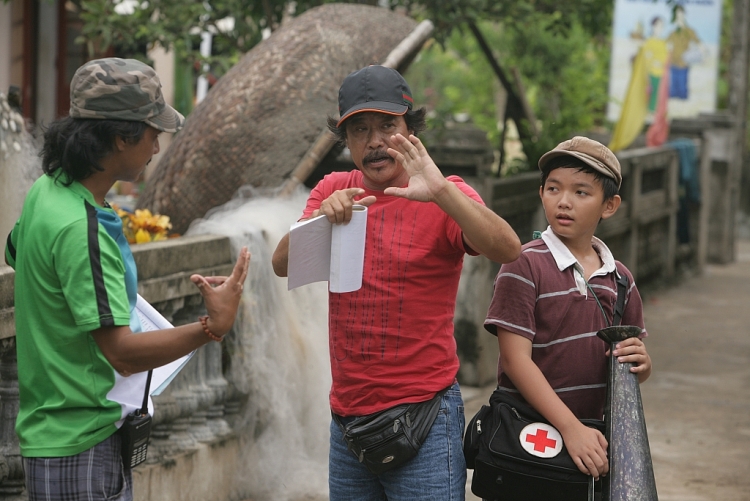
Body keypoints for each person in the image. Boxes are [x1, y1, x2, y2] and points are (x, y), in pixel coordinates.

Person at [4, 58, 250, 501]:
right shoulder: (82, 227)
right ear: (121, 136)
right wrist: (211, 327)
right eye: (153, 132)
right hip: (82, 442)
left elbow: (17, 252)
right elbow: (121, 354)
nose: (157, 146)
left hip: (51, 432)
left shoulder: (49, 190)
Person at [271, 65, 521, 500]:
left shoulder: (446, 191)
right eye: (360, 130)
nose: (375, 142)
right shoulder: (334, 189)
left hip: (425, 416)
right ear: (345, 140)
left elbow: (507, 248)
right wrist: (319, 219)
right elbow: (280, 264)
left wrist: (442, 192)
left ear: (411, 130)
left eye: (388, 126)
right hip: (348, 422)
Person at [483, 136, 652, 484]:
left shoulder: (620, 280)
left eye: (581, 192)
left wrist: (642, 364)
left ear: (609, 205)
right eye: (554, 188)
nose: (564, 202)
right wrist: (569, 428)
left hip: (592, 442)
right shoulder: (523, 264)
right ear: (541, 192)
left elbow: (629, 369)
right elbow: (515, 361)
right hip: (528, 439)